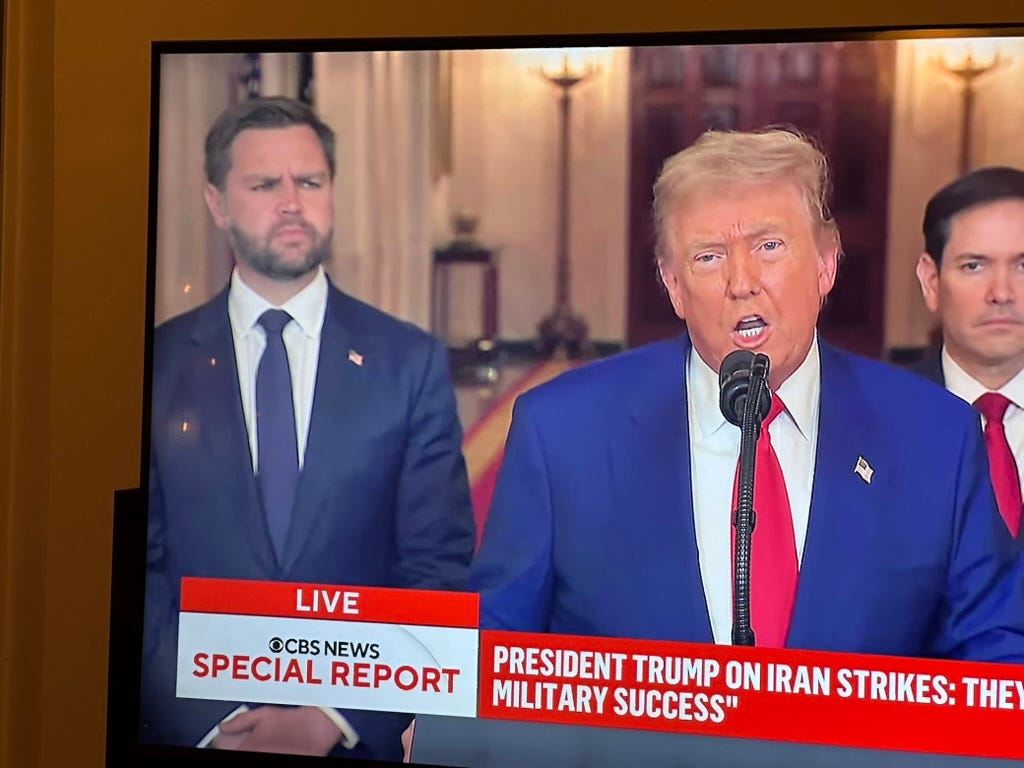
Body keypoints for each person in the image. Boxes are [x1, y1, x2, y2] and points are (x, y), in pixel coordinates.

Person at [467, 128, 1024, 661]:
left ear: (826, 264)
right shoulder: (562, 433)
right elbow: (494, 651)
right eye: (708, 256)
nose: (742, 282)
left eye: (770, 246)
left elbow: (992, 656)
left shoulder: (936, 436)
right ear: (673, 285)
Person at [141, 96, 475, 761]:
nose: (292, 202)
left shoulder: (408, 363)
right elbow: (134, 569)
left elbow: (437, 567)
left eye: (311, 182)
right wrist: (214, 720)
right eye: (266, 184)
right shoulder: (154, 365)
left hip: (351, 739)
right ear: (216, 203)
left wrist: (333, 716)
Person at [913, 166, 1024, 539]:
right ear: (931, 281)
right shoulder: (873, 421)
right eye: (974, 266)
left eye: (1023, 265)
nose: (1002, 293)